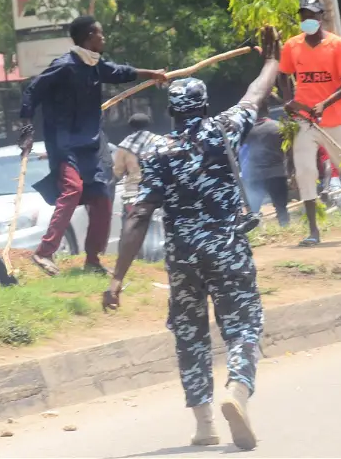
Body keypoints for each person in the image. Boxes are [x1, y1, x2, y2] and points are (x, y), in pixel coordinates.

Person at [105, 26, 282, 452]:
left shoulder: (159, 153)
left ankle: (204, 425)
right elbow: (255, 95)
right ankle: (237, 390)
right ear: (203, 106)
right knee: (243, 326)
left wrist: (117, 279)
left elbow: (139, 215)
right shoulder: (224, 127)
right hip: (226, 248)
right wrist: (272, 60)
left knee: (190, 335)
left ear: (172, 112)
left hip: (182, 257)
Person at [18, 15, 167, 276]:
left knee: (101, 198)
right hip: (64, 144)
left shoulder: (96, 66)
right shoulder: (64, 66)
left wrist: (152, 74)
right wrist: (27, 128)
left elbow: (121, 72)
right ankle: (44, 252)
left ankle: (93, 260)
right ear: (89, 37)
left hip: (90, 143)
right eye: (100, 33)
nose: (104, 38)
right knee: (72, 190)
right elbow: (32, 90)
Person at [280, 0, 341, 244]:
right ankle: (313, 232)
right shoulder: (291, 46)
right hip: (303, 120)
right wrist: (289, 101)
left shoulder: (338, 45)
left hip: (334, 118)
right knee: (305, 171)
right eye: (303, 15)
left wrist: (324, 104)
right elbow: (283, 75)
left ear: (321, 17)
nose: (307, 19)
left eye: (312, 15)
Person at [113, 113, 165, 227]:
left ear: (130, 127)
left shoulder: (124, 146)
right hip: (158, 194)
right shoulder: (160, 142)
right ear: (149, 125)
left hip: (133, 196)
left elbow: (117, 173)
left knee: (129, 229)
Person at [240, 106, 290, 226]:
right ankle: (285, 228)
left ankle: (255, 231)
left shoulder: (247, 131)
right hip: (277, 172)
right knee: (281, 207)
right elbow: (288, 150)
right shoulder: (278, 126)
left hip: (255, 174)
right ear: (267, 110)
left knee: (253, 209)